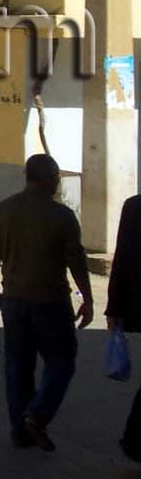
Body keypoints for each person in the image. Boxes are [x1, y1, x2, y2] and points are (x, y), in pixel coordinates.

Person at [0, 153, 94, 451]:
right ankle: (37, 415)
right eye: (56, 177)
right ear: (49, 179)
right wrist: (87, 298)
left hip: (14, 300)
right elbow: (76, 261)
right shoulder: (62, 216)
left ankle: (19, 430)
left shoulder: (4, 209)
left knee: (18, 365)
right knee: (61, 361)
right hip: (50, 301)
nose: (58, 182)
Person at [104, 194, 141, 462]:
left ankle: (134, 439)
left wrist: (114, 307)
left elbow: (121, 260)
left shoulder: (133, 206)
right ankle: (134, 439)